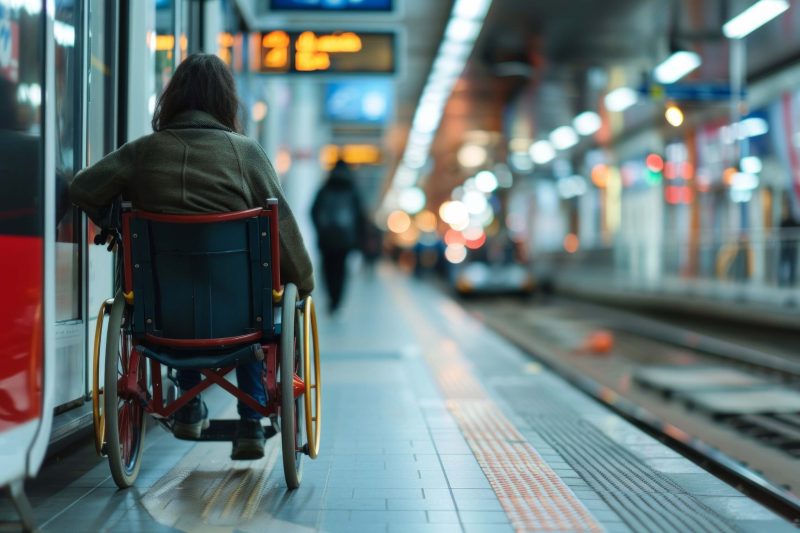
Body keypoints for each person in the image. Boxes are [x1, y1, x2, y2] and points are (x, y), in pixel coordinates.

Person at [69, 54, 314, 460]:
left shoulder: (143, 152)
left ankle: (187, 405)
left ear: (173, 99)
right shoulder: (247, 154)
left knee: (175, 293)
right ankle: (251, 422)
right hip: (240, 318)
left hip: (164, 319)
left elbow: (82, 188)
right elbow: (283, 229)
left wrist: (112, 221)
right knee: (257, 302)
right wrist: (302, 282)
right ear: (226, 102)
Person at [310, 160, 365, 314]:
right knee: (341, 270)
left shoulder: (324, 188)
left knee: (327, 269)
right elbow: (361, 217)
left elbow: (313, 211)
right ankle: (337, 301)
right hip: (345, 240)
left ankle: (330, 299)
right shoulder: (352, 190)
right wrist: (357, 240)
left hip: (326, 239)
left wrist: (320, 230)